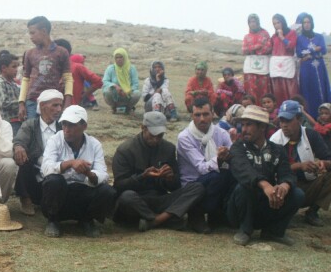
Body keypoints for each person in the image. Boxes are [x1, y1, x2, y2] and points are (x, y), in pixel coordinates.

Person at [112, 112, 206, 232]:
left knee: (197, 187)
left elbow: (176, 186)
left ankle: (156, 220)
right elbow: (119, 186)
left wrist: (170, 178)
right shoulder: (125, 150)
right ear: (143, 128)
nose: (156, 139)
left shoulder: (169, 149)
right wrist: (142, 176)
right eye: (153, 135)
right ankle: (167, 219)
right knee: (126, 197)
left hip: (160, 199)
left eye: (160, 135)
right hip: (137, 200)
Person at [227, 105, 303, 246]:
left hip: (267, 204)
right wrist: (265, 185)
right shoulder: (238, 147)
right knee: (243, 187)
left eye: (249, 125)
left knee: (297, 194)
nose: (243, 129)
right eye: (242, 125)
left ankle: (273, 231)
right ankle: (245, 229)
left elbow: (287, 173)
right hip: (239, 208)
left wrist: (284, 186)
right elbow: (243, 170)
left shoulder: (277, 150)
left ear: (262, 127)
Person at [40, 105, 116, 238]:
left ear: (84, 126)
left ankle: (87, 219)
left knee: (107, 191)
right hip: (61, 194)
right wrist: (70, 163)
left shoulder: (94, 144)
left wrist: (89, 174)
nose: (66, 129)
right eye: (64, 124)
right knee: (53, 180)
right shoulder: (55, 139)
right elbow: (45, 168)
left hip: (83, 192)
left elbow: (103, 174)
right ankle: (53, 219)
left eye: (71, 125)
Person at [270, 100, 331, 227]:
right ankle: (285, 212)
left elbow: (328, 158)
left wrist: (323, 163)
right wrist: (299, 166)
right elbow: (271, 171)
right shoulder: (275, 140)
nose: (284, 125)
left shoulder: (311, 135)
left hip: (308, 184)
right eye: (281, 121)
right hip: (284, 187)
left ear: (299, 119)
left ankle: (312, 212)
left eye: (288, 120)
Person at [177, 98, 234, 229]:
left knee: (233, 174)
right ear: (192, 116)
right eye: (197, 115)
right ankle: (196, 214)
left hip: (215, 177)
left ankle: (218, 214)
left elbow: (233, 157)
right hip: (192, 184)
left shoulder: (221, 133)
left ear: (213, 114)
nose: (202, 119)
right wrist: (219, 158)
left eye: (206, 114)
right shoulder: (184, 137)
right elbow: (202, 168)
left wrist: (230, 154)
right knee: (216, 176)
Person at [13, 89, 64, 215]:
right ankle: (25, 198)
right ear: (42, 106)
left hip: (55, 174)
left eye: (60, 106)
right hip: (34, 176)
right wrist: (18, 147)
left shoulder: (63, 127)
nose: (59, 109)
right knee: (23, 159)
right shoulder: (30, 125)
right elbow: (19, 140)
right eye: (55, 105)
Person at [18, 16, 73, 120]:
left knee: (54, 130)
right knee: (33, 130)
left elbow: (68, 78)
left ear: (43, 31)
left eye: (33, 33)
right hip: (33, 100)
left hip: (54, 100)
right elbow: (26, 79)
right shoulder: (30, 53)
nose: (30, 37)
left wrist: (68, 101)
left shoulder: (61, 52)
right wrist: (21, 102)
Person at [296, 13, 329, 120]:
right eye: (304, 22)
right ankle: (311, 118)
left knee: (322, 90)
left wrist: (309, 53)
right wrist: (315, 49)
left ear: (312, 23)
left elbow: (323, 50)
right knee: (308, 90)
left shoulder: (319, 36)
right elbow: (299, 53)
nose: (306, 24)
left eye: (308, 22)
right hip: (307, 69)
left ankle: (325, 116)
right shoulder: (299, 39)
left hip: (319, 68)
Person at [242, 13, 272, 105]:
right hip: (250, 69)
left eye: (254, 21)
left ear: (258, 22)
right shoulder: (247, 37)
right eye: (250, 22)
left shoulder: (265, 34)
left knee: (263, 89)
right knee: (251, 89)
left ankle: (265, 109)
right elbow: (244, 50)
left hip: (263, 68)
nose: (252, 24)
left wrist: (253, 50)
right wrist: (256, 47)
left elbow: (268, 48)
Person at [269, 14, 299, 104]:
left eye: (278, 22)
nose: (276, 25)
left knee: (291, 89)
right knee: (278, 90)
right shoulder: (274, 37)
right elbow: (270, 49)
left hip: (288, 66)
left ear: (283, 22)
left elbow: (291, 46)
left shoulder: (292, 33)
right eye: (274, 24)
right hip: (277, 67)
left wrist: (282, 37)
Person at [0, 52, 22, 135]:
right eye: (14, 67)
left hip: (17, 121)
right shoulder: (1, 84)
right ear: (4, 68)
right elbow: (4, 104)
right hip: (8, 122)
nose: (16, 69)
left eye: (17, 66)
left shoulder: (14, 84)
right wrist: (21, 103)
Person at [102, 48, 140, 114]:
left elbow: (135, 84)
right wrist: (115, 86)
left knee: (137, 93)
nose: (119, 59)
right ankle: (113, 107)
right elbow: (105, 81)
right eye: (116, 57)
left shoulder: (131, 68)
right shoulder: (111, 68)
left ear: (125, 57)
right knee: (107, 91)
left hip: (128, 95)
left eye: (121, 57)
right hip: (115, 94)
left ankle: (128, 108)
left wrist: (127, 91)